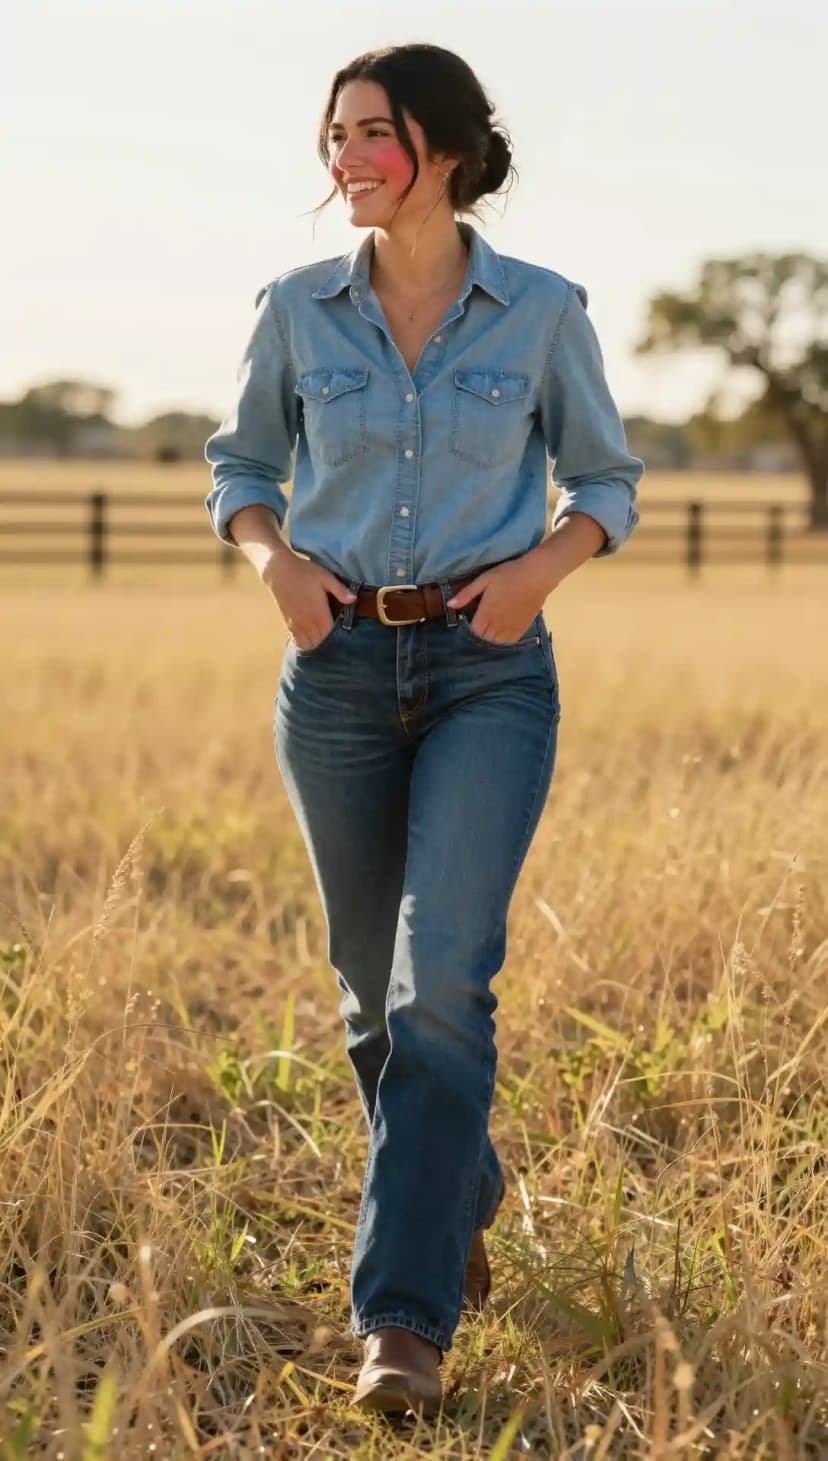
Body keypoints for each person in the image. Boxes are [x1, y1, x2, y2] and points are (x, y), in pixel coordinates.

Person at [204, 42, 644, 1417]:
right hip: (334, 672)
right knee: (364, 985)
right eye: (334, 135)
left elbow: (607, 483)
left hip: (488, 673)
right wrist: (274, 562)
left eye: (373, 133)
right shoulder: (293, 310)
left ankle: (403, 1321)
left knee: (438, 978)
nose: (346, 158)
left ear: (442, 148)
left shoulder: (543, 311)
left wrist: (534, 576)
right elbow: (239, 467)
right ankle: (459, 1181)